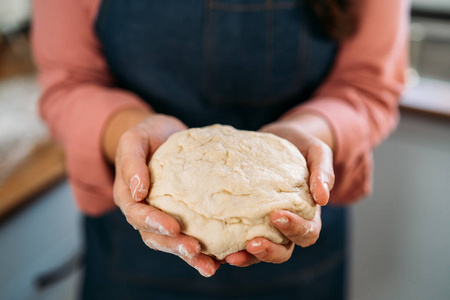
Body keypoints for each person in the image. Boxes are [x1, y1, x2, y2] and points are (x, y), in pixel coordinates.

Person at [32, 0, 408, 299]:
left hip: (298, 255)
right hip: (135, 251)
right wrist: (132, 133)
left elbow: (368, 86)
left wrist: (306, 132)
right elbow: (68, 84)